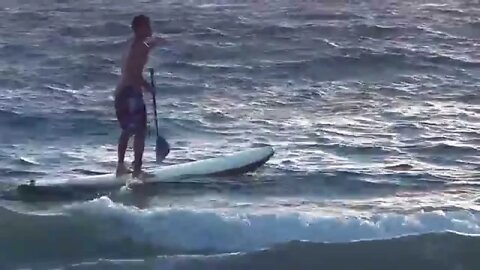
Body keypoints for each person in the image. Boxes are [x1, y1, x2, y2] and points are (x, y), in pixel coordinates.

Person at [114, 14, 165, 178]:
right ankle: (137, 170)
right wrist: (147, 86)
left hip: (121, 93)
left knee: (128, 130)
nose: (150, 28)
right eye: (148, 26)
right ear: (140, 28)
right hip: (131, 93)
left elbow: (150, 44)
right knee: (140, 131)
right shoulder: (140, 47)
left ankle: (121, 166)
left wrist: (158, 42)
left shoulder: (132, 44)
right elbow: (133, 72)